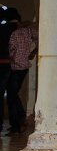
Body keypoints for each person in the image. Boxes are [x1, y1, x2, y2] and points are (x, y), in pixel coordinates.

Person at [7, 14, 37, 134]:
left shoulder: (14, 34)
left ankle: (19, 120)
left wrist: (10, 60)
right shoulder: (29, 31)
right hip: (24, 66)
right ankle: (19, 120)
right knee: (13, 94)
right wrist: (33, 51)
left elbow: (11, 50)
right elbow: (40, 36)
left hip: (15, 67)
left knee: (11, 95)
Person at [0, 7, 20, 135]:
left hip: (3, 65)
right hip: (8, 64)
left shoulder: (4, 28)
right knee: (10, 95)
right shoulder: (13, 28)